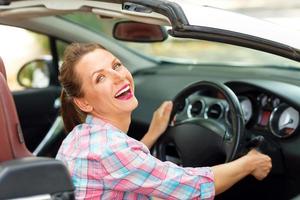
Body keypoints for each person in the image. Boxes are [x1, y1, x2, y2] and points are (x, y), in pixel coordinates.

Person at [56, 43, 272, 199]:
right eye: (100, 78)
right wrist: (250, 162)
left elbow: (125, 167)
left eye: (117, 65)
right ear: (83, 103)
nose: (119, 76)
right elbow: (191, 187)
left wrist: (152, 133)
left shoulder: (80, 135)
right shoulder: (111, 149)